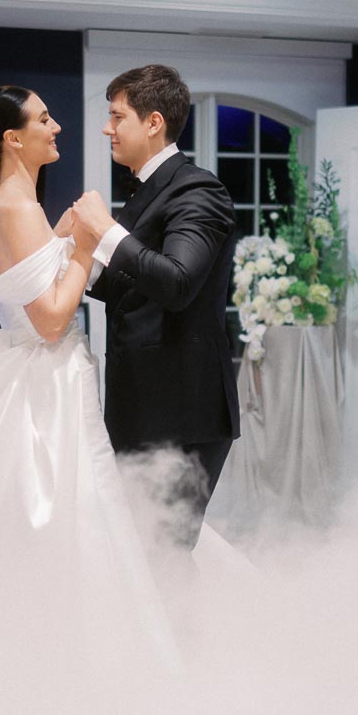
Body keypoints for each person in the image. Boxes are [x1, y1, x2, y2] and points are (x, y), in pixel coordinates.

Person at [0, 84, 180, 675]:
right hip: (46, 383)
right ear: (13, 138)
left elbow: (27, 278)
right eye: (44, 119)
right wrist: (85, 245)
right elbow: (52, 320)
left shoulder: (10, 207)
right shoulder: (18, 208)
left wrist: (61, 239)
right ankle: (73, 657)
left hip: (36, 375)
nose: (56, 128)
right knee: (67, 514)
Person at [72, 65, 239, 552]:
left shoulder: (198, 190)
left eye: (116, 116)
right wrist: (72, 260)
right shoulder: (149, 188)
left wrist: (105, 230)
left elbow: (177, 282)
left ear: (153, 122)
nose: (107, 128)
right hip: (143, 407)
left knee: (165, 559)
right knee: (138, 556)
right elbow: (135, 287)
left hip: (180, 413)